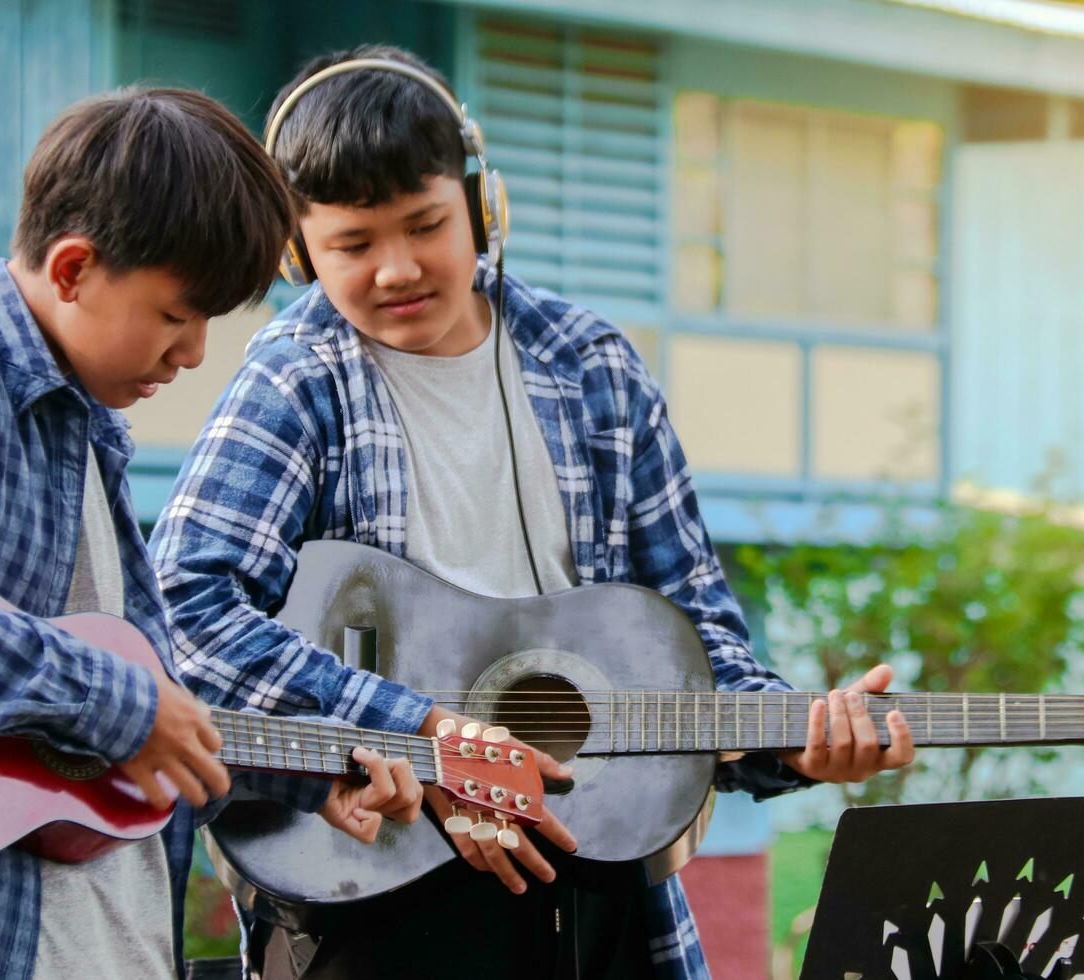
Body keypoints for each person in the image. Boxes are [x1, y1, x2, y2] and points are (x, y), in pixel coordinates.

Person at [149, 48, 915, 978]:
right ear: (298, 250)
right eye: (353, 246)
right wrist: (415, 733)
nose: (397, 269)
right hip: (374, 889)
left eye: (426, 225)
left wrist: (795, 746)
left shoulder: (594, 364)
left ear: (482, 207)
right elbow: (185, 609)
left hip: (597, 888)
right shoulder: (294, 378)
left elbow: (695, 640)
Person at [0, 86, 418, 980]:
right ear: (72, 270)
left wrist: (311, 770)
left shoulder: (90, 436)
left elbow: (89, 747)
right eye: (178, 317)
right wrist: (123, 706)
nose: (190, 356)